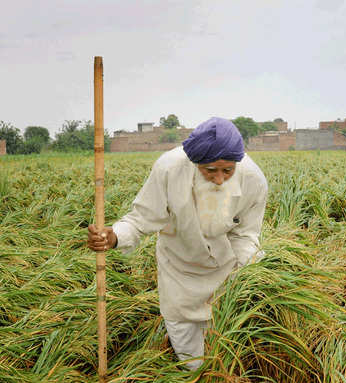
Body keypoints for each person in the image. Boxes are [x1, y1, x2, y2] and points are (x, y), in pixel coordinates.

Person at [87, 117, 268, 370]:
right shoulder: (169, 169)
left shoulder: (253, 180)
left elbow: (246, 236)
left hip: (226, 275)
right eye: (210, 170)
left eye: (227, 171)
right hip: (180, 274)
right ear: (196, 163)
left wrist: (256, 274)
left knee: (228, 354)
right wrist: (114, 236)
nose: (219, 179)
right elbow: (141, 220)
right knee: (192, 361)